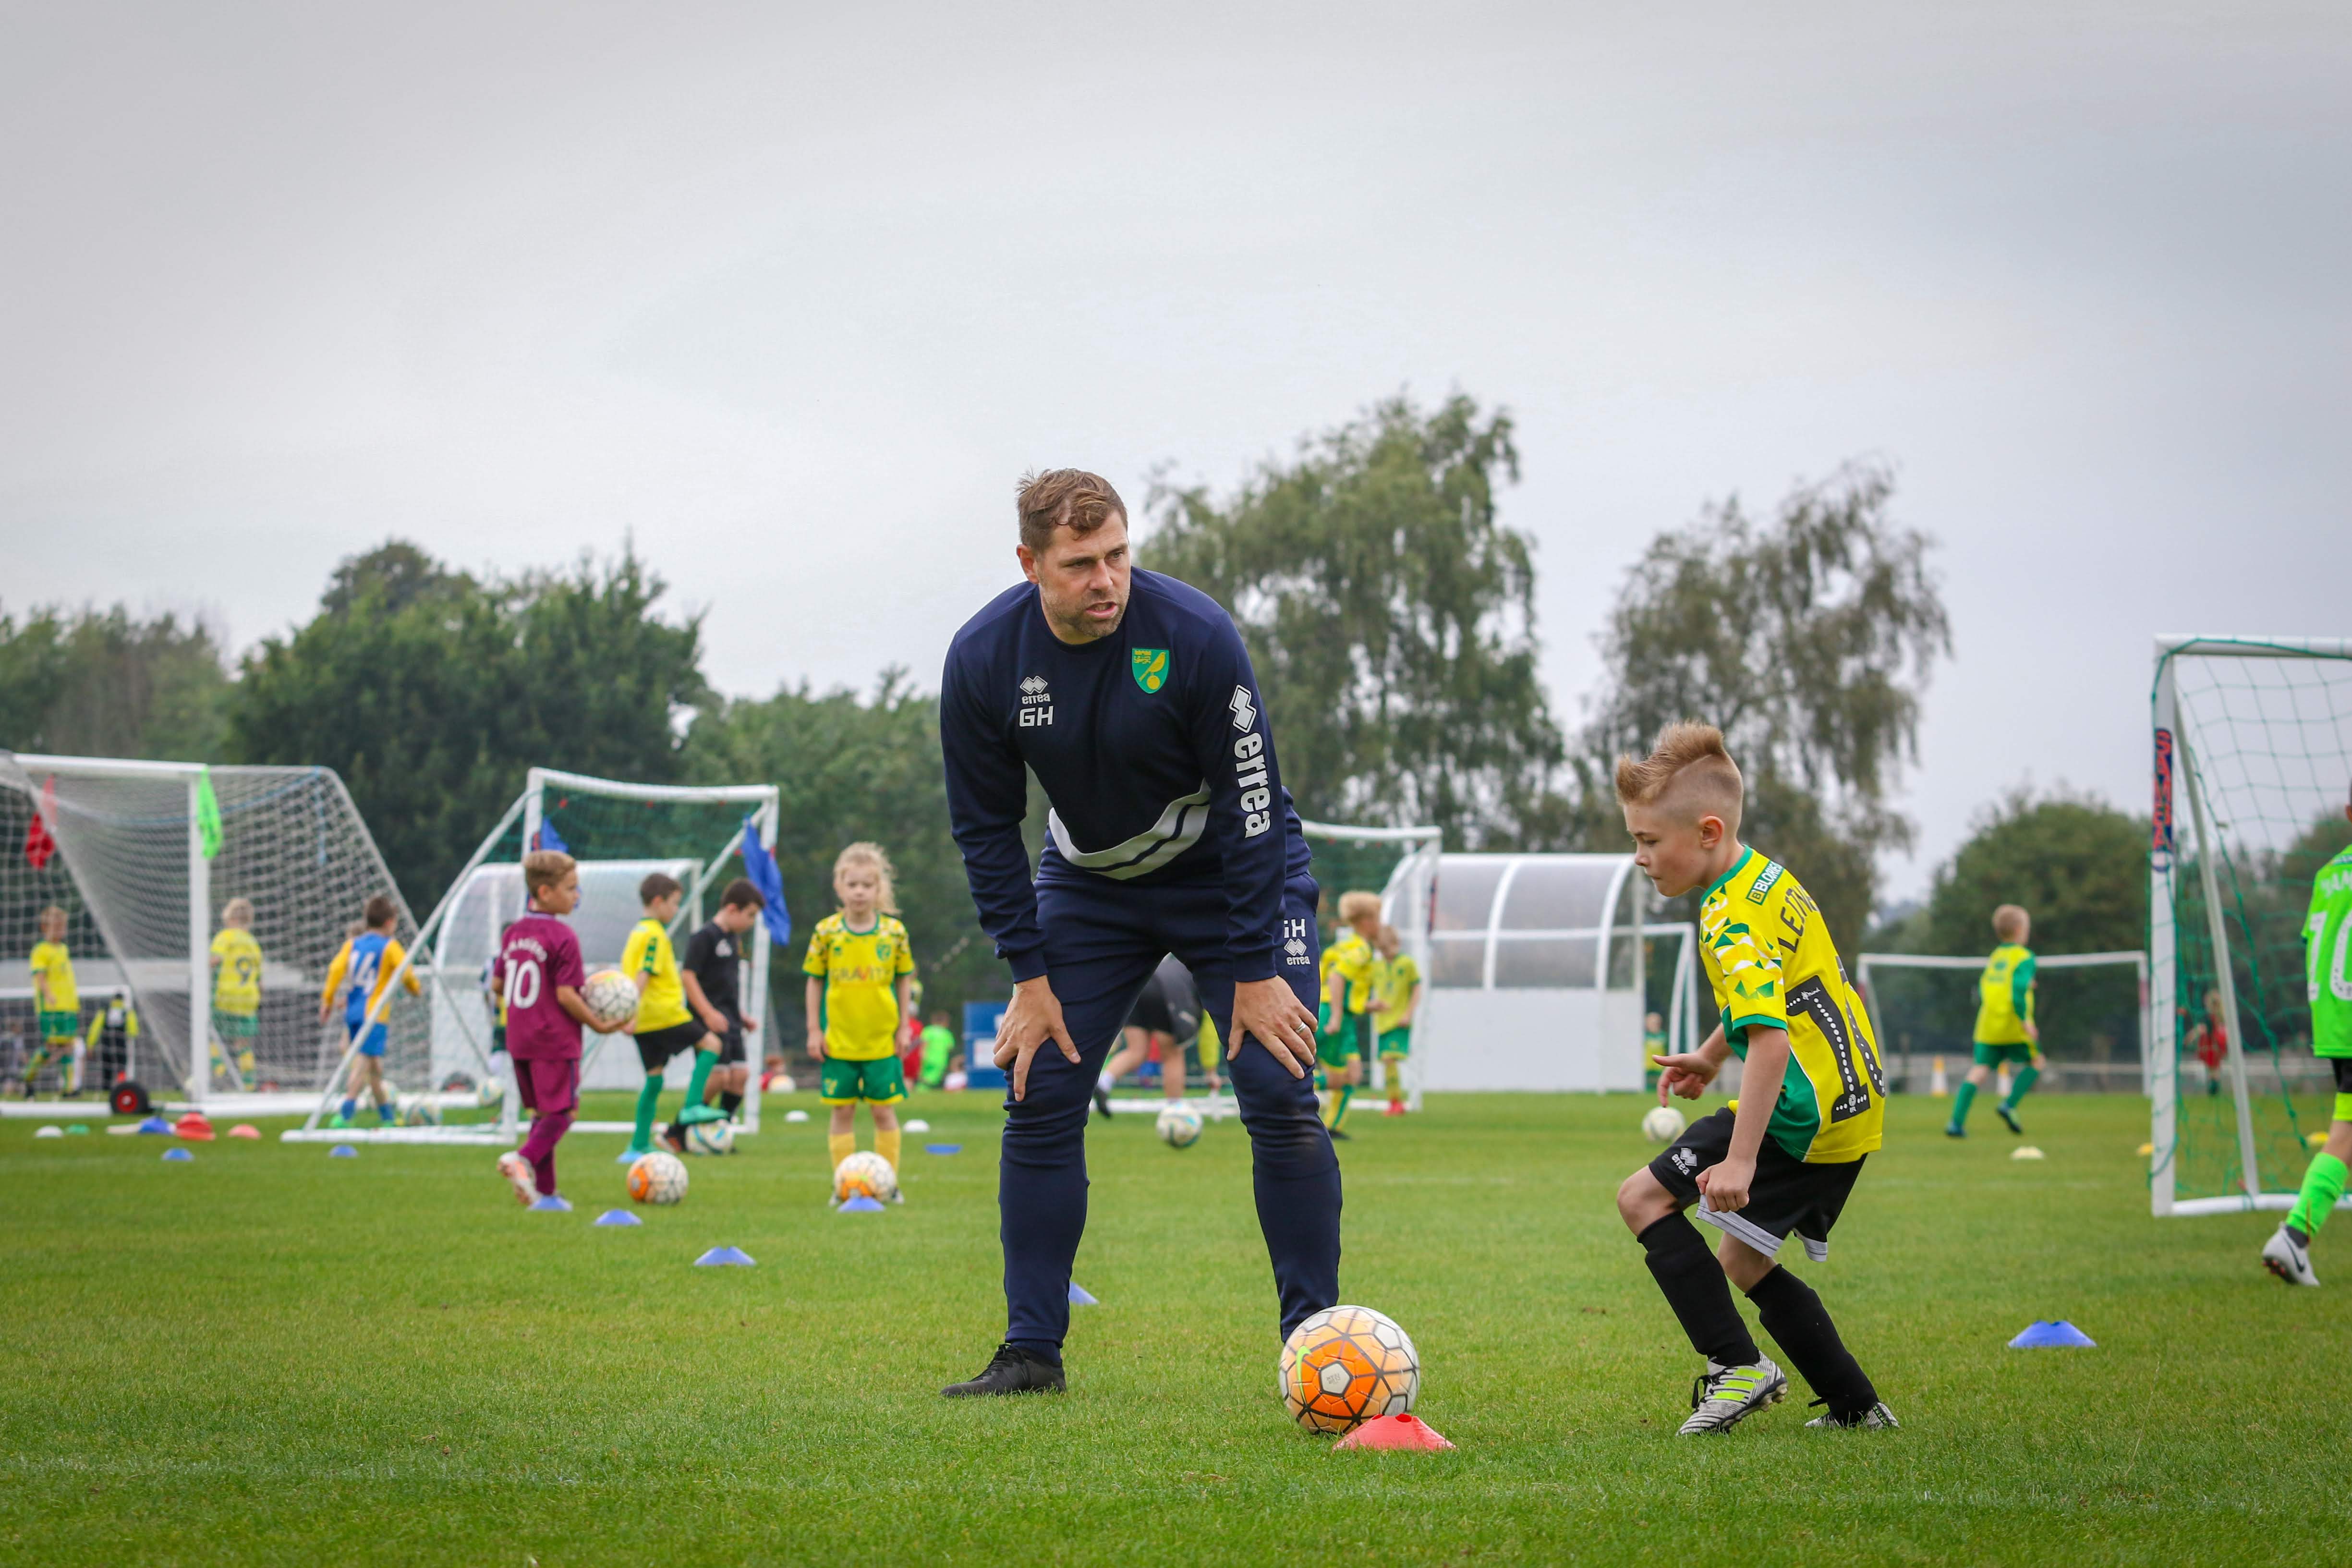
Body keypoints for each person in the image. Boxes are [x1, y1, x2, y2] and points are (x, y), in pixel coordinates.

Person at [937, 468, 1333, 1398]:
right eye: (1081, 563)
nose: (1106, 579)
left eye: (1117, 554)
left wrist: (1250, 967)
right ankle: (1031, 1351)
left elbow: (1249, 807)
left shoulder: (1195, 634)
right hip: (1088, 884)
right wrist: (1027, 975)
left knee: (1277, 1085)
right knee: (1036, 1087)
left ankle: (1318, 1349)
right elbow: (986, 828)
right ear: (1031, 562)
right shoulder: (983, 658)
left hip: (1233, 870)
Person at [1613, 722, 1896, 1434]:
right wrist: (1712, 1055)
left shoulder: (1726, 915)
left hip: (1801, 1109)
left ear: (1707, 831)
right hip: (1850, 1104)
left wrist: (1739, 1159)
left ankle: (1736, 1367)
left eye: (1649, 841)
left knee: (1643, 1198)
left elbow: (1769, 1041)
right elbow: (1781, 992)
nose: (1640, 857)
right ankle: (1857, 1407)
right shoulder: (1764, 877)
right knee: (1740, 1259)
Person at [493, 850, 626, 1205]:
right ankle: (522, 1159)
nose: (576, 895)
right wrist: (599, 1023)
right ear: (546, 892)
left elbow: (497, 985)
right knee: (565, 1112)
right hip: (553, 1038)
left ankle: (547, 1194)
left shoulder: (514, 933)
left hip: (519, 1037)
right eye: (570, 888)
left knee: (542, 1113)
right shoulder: (563, 936)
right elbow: (566, 995)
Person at [2263, 790, 2352, 1285]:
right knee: (2343, 1138)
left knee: (2346, 1135)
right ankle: (2294, 1235)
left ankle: (2295, 1237)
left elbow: (2311, 941)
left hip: (2333, 1022)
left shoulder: (2326, 873)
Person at [805, 842, 917, 1192]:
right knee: (842, 1113)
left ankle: (888, 1184)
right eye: (852, 884)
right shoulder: (826, 932)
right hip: (839, 1041)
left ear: (878, 888)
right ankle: (844, 1185)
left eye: (866, 885)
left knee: (884, 1112)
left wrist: (904, 1026)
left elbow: (905, 979)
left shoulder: (894, 933)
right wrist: (813, 1029)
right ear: (839, 886)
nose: (859, 892)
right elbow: (814, 981)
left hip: (882, 1041)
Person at [618, 873, 719, 1161]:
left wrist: (629, 1014)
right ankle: (691, 1106)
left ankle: (637, 1145)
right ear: (658, 901)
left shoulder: (636, 933)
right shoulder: (654, 935)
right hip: (664, 1013)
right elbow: (644, 974)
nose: (676, 910)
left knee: (654, 1080)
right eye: (675, 904)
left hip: (644, 1021)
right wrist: (630, 1011)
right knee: (712, 1044)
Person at [318, 895, 422, 1126]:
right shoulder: (390, 946)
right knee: (364, 1062)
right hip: (375, 1014)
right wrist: (415, 988)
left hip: (354, 1012)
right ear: (389, 923)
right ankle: (345, 1113)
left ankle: (387, 1116)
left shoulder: (352, 945)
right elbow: (406, 972)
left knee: (375, 1066)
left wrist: (327, 1000)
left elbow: (335, 970)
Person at [1945, 905, 2041, 1137]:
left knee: (1979, 1070)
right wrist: (2025, 1020)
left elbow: (1984, 985)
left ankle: (1956, 1123)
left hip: (1988, 1024)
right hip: (2013, 1024)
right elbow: (2017, 989)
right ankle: (2009, 1105)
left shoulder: (1996, 956)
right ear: (2020, 930)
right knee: (2037, 1063)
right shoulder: (2024, 957)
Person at [679, 877, 764, 1128]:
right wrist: (707, 1013)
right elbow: (688, 976)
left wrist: (741, 1015)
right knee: (718, 1078)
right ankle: (681, 1128)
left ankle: (721, 1132)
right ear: (732, 909)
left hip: (731, 1018)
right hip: (709, 1019)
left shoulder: (733, 939)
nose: (751, 923)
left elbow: (727, 985)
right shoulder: (704, 937)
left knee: (740, 1076)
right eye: (750, 915)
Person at [1094, 955, 1211, 1116]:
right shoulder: (1208, 974)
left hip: (1141, 985)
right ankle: (1174, 1112)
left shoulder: (1177, 959)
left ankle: (1103, 1083)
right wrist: (1211, 1071)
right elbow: (1208, 1033)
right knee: (1172, 1054)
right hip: (1168, 991)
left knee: (1136, 1051)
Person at [1317, 891, 1381, 1138]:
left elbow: (1325, 981)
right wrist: (1334, 1016)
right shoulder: (1362, 950)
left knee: (1352, 1075)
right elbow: (1336, 977)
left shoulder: (1340, 947)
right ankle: (1293, 1089)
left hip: (1337, 1013)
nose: (1380, 924)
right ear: (1366, 921)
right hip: (1336, 1016)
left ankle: (1332, 1127)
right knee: (1343, 1077)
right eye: (1377, 918)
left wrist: (1366, 1005)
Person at [22, 906, 81, 1098]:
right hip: (51, 1007)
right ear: (45, 927)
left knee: (69, 1046)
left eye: (62, 926)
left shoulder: (63, 949)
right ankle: (27, 1077)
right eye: (55, 927)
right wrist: (48, 995)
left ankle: (68, 1089)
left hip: (68, 1005)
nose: (60, 930)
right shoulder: (41, 950)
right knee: (52, 1046)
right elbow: (39, 976)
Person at [210, 897, 263, 1093]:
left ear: (230, 918)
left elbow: (215, 960)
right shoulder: (253, 943)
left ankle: (220, 1072)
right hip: (248, 1000)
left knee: (211, 1036)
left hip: (226, 996)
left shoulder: (226, 937)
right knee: (243, 1043)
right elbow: (260, 979)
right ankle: (248, 1085)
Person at [1372, 924, 1419, 1117]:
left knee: (1388, 1058)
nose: (1385, 954)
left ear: (1396, 944)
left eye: (1387, 949)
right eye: (1381, 950)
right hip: (1382, 1022)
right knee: (1387, 1062)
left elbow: (1417, 988)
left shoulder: (1407, 964)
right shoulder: (1377, 967)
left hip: (1399, 1021)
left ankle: (1396, 1103)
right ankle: (1394, 1102)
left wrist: (1408, 1013)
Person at [84, 993, 140, 1095]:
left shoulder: (105, 1011)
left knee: (107, 1069)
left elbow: (95, 1029)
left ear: (113, 999)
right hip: (120, 1044)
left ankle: (106, 1090)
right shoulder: (127, 1012)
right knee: (121, 1068)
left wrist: (90, 1044)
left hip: (107, 1044)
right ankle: (121, 1089)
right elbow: (133, 1031)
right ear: (123, 1000)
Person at [919, 1010, 959, 1091]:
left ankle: (921, 1091)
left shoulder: (928, 1030)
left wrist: (922, 1054)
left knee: (925, 1077)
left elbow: (923, 1044)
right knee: (933, 1080)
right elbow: (950, 1047)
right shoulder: (947, 1034)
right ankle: (923, 1091)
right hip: (940, 1060)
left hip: (927, 1058)